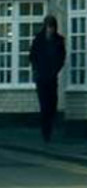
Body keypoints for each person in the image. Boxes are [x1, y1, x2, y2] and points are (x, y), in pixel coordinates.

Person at [29, 14, 66, 142]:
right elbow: (32, 56)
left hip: (52, 76)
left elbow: (62, 57)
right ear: (45, 27)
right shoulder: (38, 40)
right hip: (41, 76)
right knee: (44, 105)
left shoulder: (58, 40)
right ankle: (46, 133)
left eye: (53, 27)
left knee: (52, 104)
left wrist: (55, 70)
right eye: (49, 27)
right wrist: (37, 70)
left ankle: (48, 127)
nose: (51, 30)